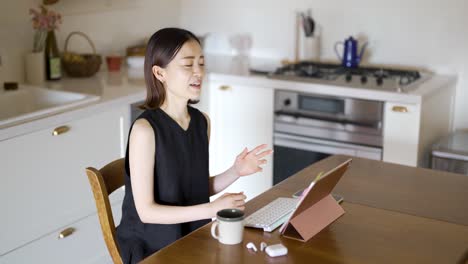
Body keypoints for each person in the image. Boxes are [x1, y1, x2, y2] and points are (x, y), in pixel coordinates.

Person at [116, 28, 273, 263]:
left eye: (201, 63)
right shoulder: (144, 131)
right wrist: (212, 210)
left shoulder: (201, 122)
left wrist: (236, 171)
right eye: (188, 65)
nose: (198, 72)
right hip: (152, 248)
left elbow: (194, 189)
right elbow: (146, 211)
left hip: (191, 236)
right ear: (160, 73)